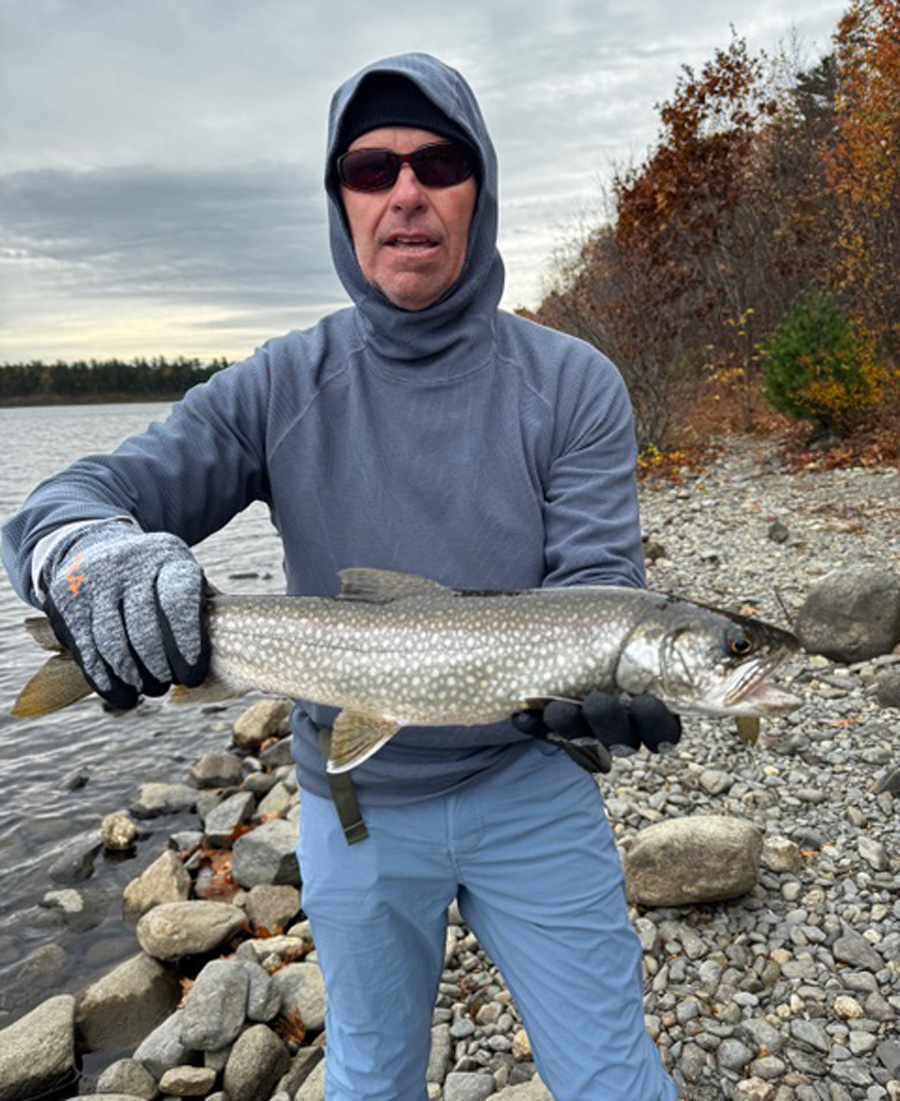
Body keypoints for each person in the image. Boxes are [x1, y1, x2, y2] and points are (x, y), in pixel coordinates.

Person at [2, 53, 681, 1101]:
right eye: (371, 167)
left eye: (438, 160)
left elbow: (597, 582)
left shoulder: (572, 384)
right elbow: (68, 500)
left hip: (535, 789)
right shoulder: (279, 384)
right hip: (354, 805)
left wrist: (594, 696)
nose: (406, 188)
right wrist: (90, 561)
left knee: (613, 1076)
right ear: (341, 201)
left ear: (479, 189)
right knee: (368, 1075)